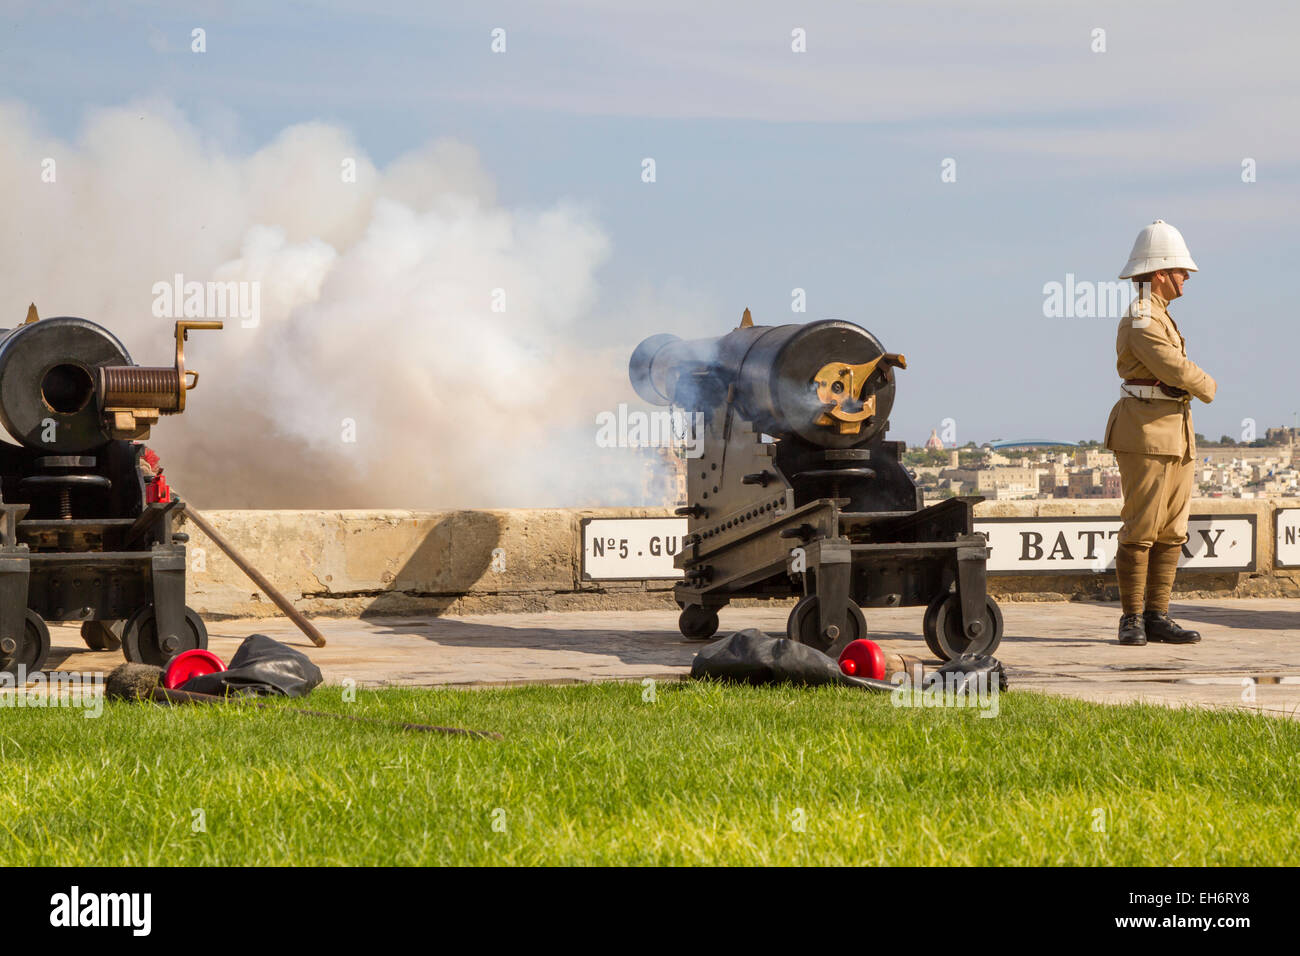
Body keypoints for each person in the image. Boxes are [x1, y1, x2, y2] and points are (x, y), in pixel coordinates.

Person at [1103, 220, 1216, 646]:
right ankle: (1132, 617)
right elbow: (1174, 368)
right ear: (1159, 273)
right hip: (1146, 431)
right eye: (1181, 270)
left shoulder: (1157, 314)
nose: (1186, 277)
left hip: (1173, 429)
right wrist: (1208, 385)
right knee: (1142, 527)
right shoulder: (1142, 317)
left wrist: (1191, 387)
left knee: (1172, 530)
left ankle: (1156, 616)